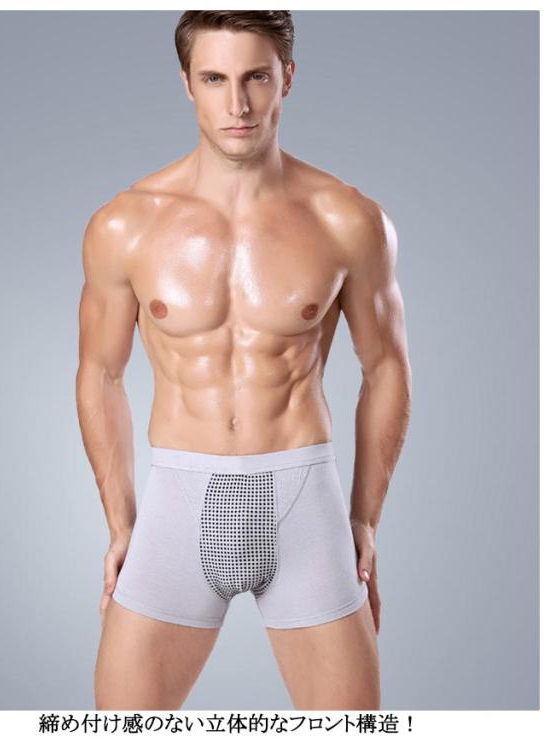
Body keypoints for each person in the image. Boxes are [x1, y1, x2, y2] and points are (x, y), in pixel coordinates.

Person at [76, 10, 411, 711]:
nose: (238, 104)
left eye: (256, 77)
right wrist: (121, 522)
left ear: (287, 77)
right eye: (214, 79)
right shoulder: (125, 224)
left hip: (304, 503)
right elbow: (100, 374)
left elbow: (385, 369)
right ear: (186, 83)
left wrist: (365, 519)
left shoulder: (347, 220)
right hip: (177, 503)